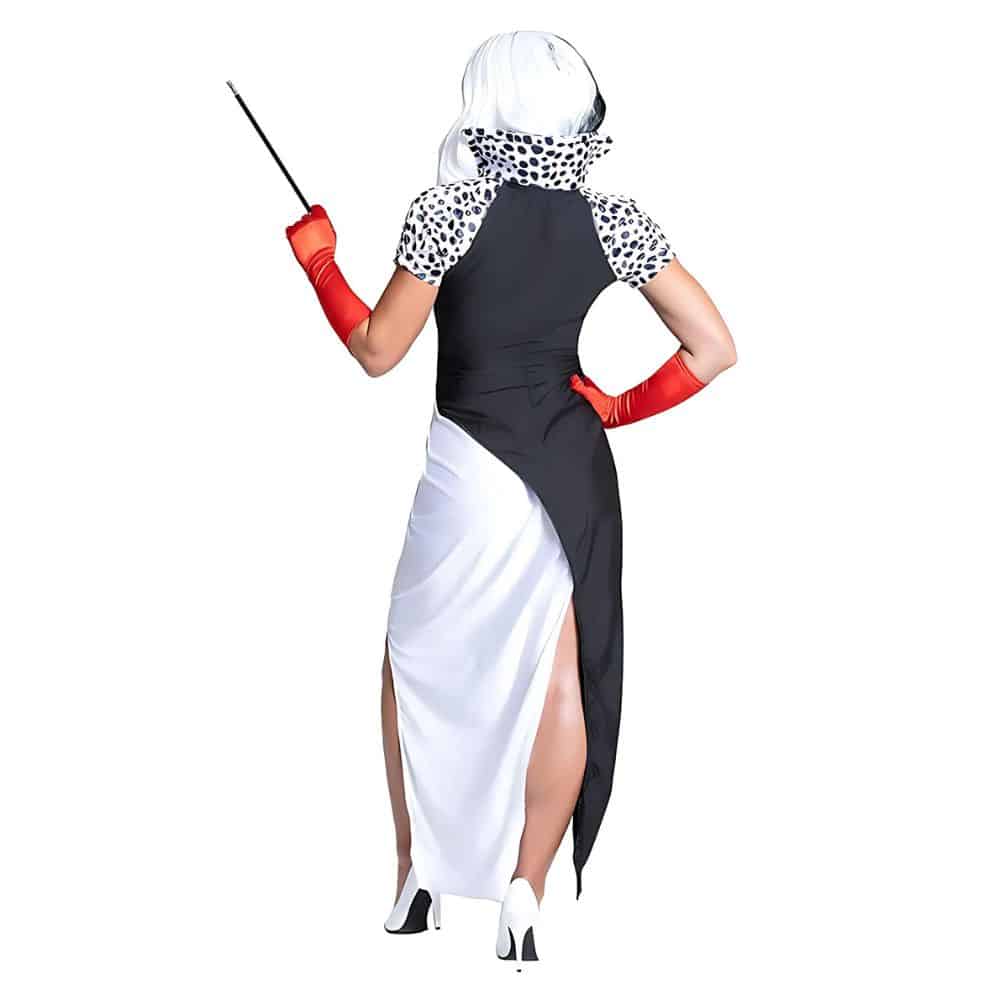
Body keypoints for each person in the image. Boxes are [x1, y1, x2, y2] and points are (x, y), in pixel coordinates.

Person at [284, 30, 737, 967]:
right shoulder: (614, 217)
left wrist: (321, 262)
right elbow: (713, 348)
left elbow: (376, 350)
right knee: (558, 672)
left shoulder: (450, 209)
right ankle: (524, 893)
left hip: (470, 467)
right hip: (570, 472)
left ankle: (414, 876)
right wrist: (616, 407)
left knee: (412, 659)